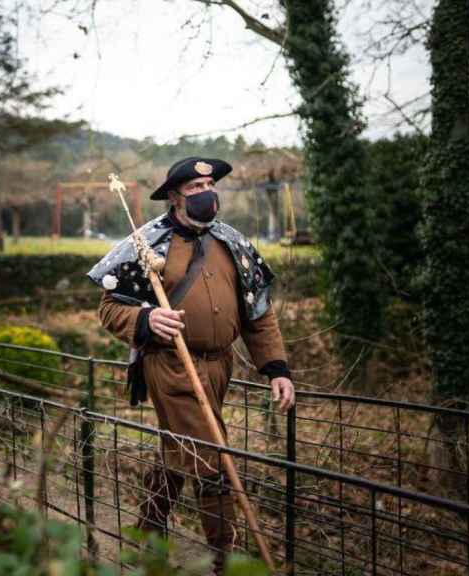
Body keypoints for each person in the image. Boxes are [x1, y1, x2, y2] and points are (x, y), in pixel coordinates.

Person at [88, 157, 295, 571]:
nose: (207, 192)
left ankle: (146, 532)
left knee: (179, 452)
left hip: (219, 367)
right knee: (211, 460)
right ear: (174, 197)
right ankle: (228, 561)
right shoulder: (147, 244)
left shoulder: (232, 242)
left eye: (210, 185)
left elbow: (257, 312)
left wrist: (276, 367)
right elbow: (110, 308)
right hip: (171, 365)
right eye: (196, 188)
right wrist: (145, 319)